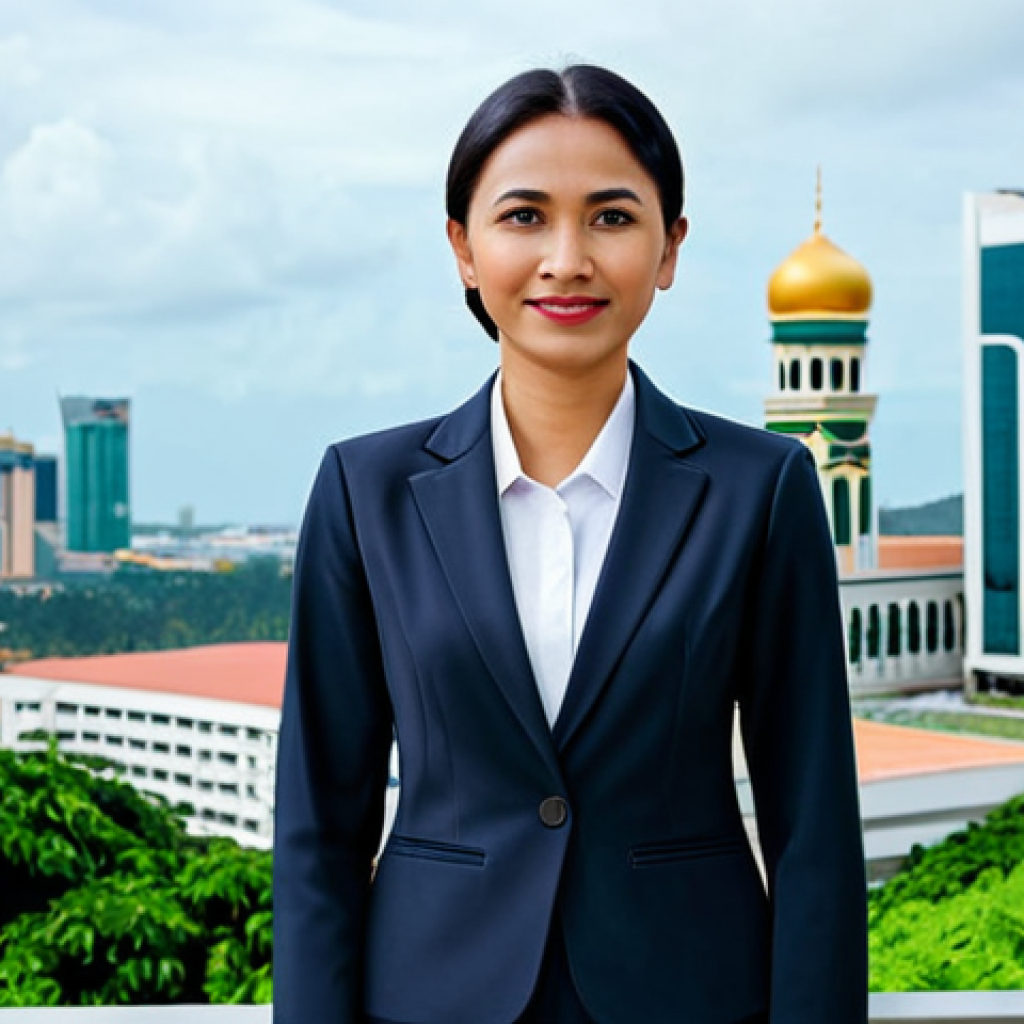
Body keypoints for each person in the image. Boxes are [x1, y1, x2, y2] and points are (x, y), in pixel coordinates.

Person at [272, 64, 868, 1024]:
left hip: (691, 996)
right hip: (430, 998)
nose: (567, 258)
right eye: (523, 217)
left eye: (611, 218)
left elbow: (815, 828)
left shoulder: (761, 489)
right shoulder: (364, 490)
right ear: (464, 249)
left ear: (669, 248)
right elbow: (319, 827)